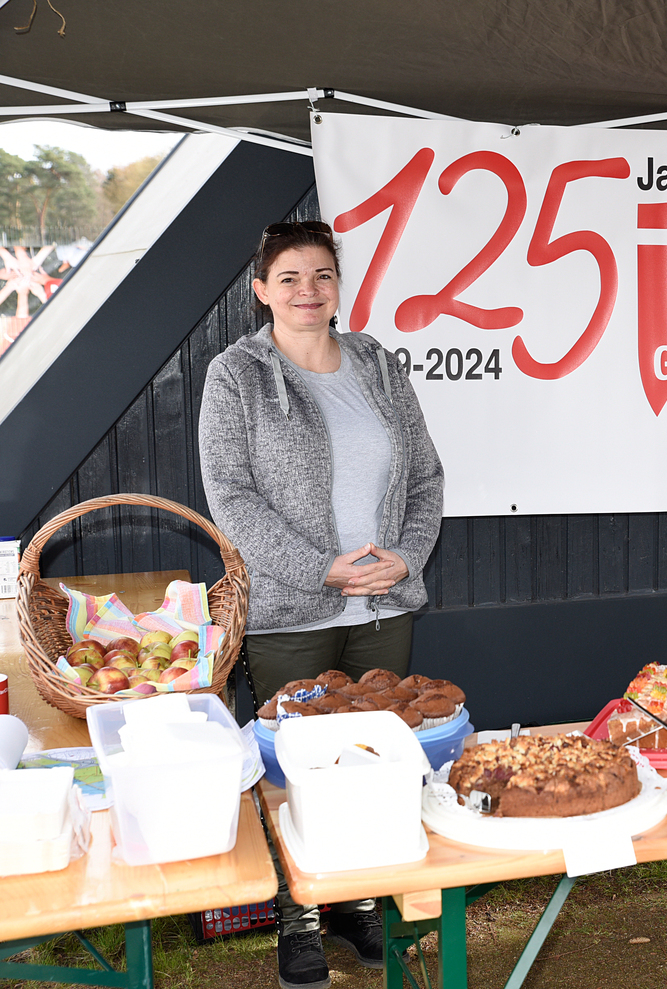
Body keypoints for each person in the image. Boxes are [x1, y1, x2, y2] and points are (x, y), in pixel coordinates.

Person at [198, 220, 445, 989]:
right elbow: (231, 497)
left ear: (339, 286)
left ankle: (359, 902)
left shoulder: (377, 364)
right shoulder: (236, 375)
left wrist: (407, 555)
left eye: (323, 275)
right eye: (290, 277)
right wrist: (319, 570)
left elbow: (426, 477)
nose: (308, 290)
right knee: (292, 767)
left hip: (383, 606)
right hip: (290, 611)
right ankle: (298, 916)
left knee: (374, 760)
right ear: (261, 290)